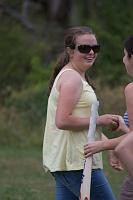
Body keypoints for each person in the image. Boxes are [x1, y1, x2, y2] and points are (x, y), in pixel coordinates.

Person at [43, 26, 119, 200]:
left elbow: (85, 125)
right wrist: (101, 120)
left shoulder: (77, 76)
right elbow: (62, 121)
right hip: (77, 163)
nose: (91, 52)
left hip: (72, 162)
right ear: (70, 51)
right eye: (84, 48)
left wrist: (107, 145)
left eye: (95, 48)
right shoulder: (72, 79)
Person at [84, 35, 133, 200]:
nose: (123, 60)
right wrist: (125, 128)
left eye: (125, 55)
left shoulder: (132, 89)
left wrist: (103, 145)